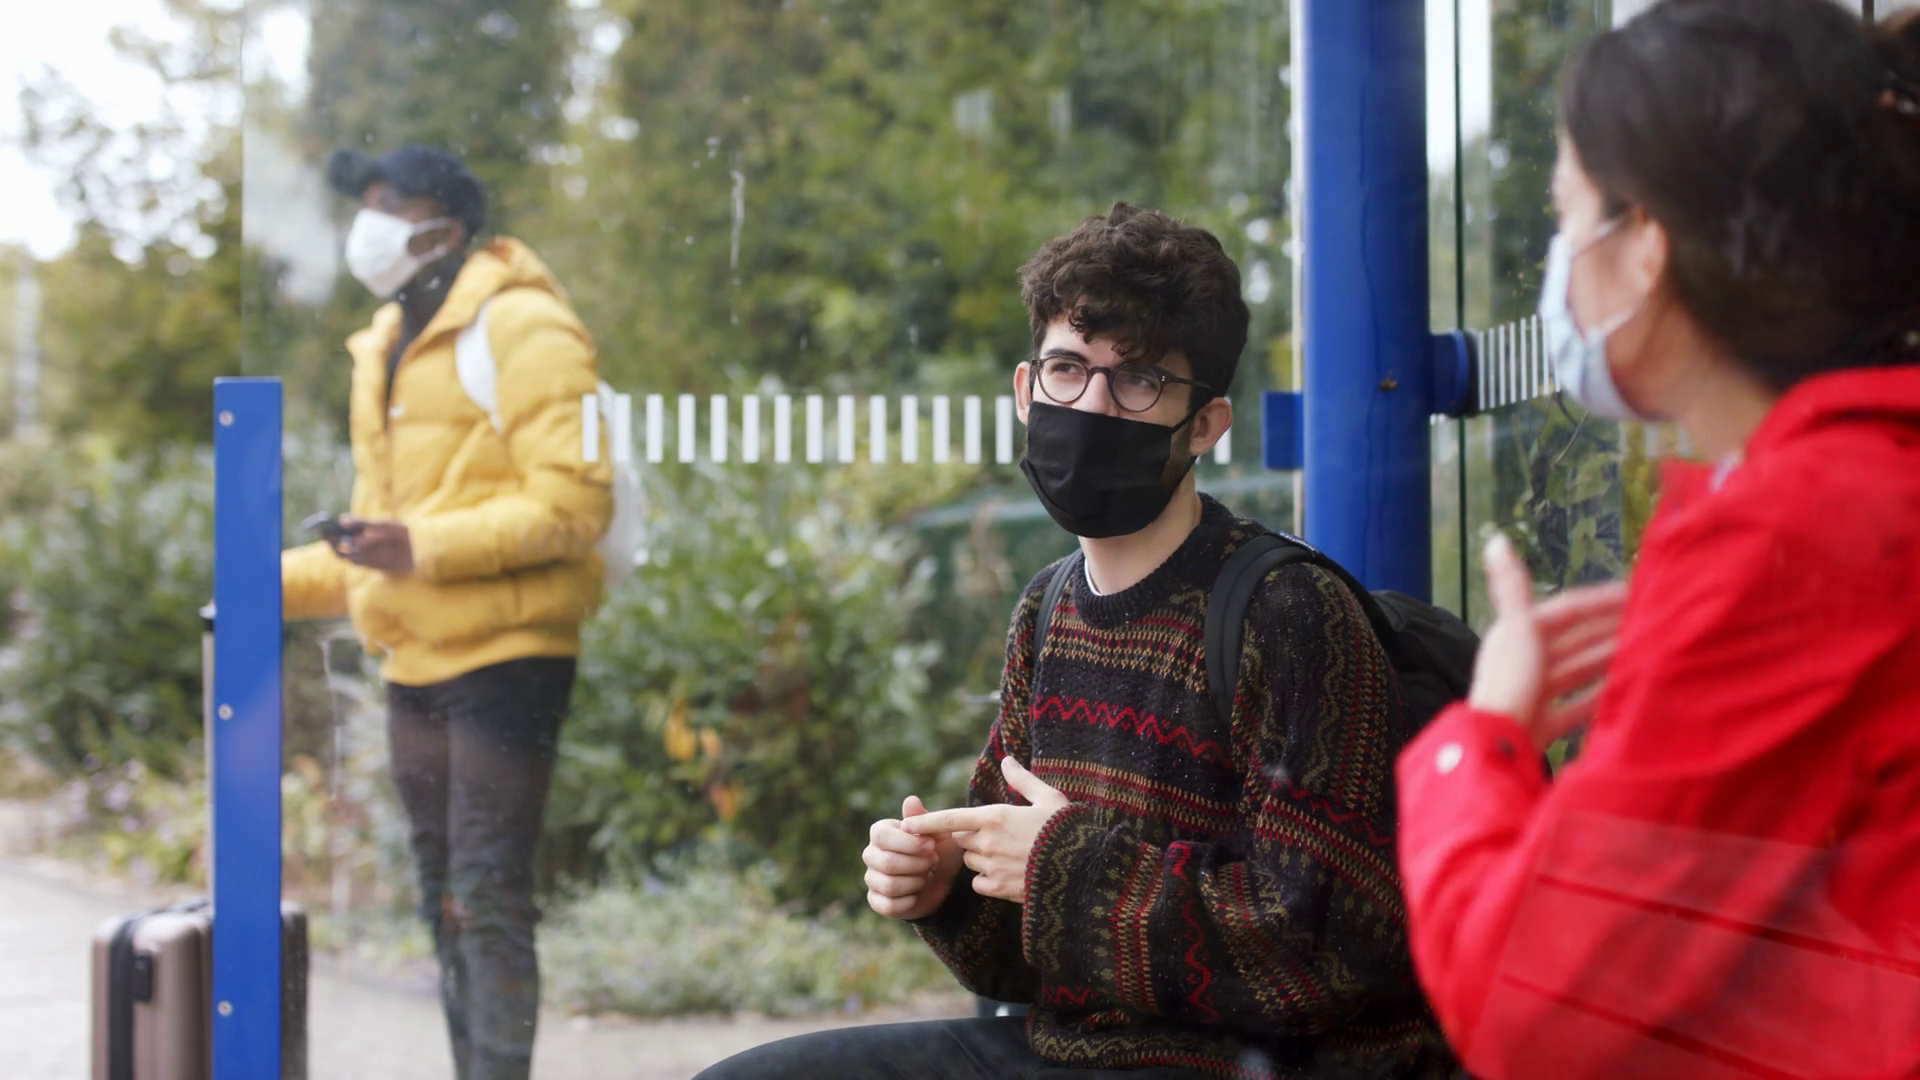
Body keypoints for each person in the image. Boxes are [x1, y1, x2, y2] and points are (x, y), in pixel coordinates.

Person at [696, 205, 1454, 1079]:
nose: (1092, 404)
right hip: (1077, 1052)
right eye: (1068, 369)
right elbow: (1030, 947)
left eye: (1137, 381)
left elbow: (1329, 944)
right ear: (1028, 391)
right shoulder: (1047, 608)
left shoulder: (1289, 613)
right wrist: (946, 890)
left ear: (1205, 424)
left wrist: (1067, 866)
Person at [1394, 3, 1920, 1077]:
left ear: (1644, 245)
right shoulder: (1851, 495)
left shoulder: (1792, 538)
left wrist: (1481, 738)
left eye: (1565, 215)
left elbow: (1530, 1009)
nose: (1557, 264)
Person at [282, 144, 612, 1080]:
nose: (369, 221)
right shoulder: (381, 343)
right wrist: (260, 583)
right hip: (414, 661)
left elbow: (574, 507)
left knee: (487, 891)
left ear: (447, 226)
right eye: (365, 202)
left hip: (510, 660)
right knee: (442, 899)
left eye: (390, 202)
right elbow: (379, 546)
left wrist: (417, 546)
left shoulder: (525, 324)